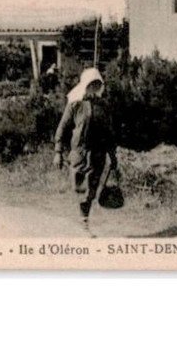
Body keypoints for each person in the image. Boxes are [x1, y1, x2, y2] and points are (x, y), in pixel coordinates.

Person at [53, 67, 118, 235]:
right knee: (79, 186)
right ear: (85, 85)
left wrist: (113, 155)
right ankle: (82, 217)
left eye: (97, 84)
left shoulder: (103, 106)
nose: (94, 88)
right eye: (91, 85)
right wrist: (58, 152)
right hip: (79, 153)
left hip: (98, 153)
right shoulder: (75, 105)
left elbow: (109, 132)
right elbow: (62, 128)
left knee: (91, 188)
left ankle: (84, 221)